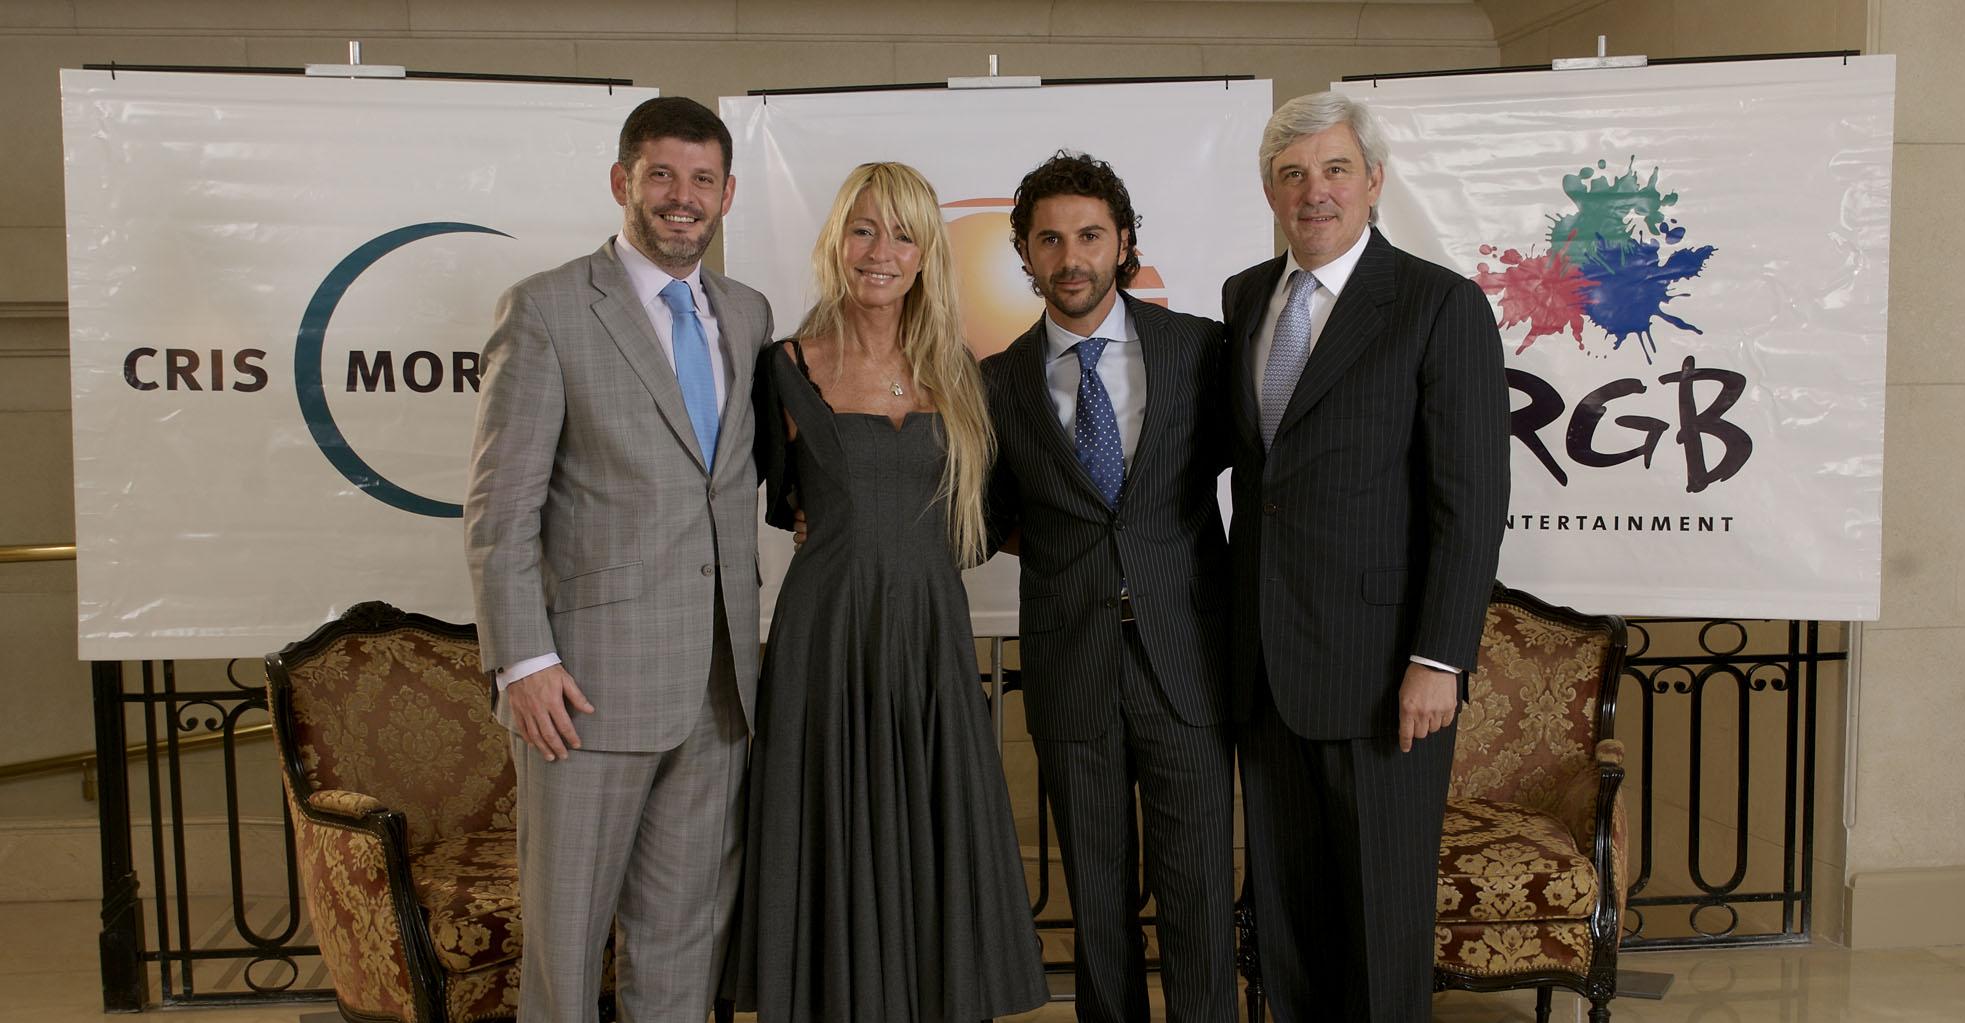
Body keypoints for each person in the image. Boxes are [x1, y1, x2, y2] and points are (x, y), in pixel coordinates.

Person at [464, 96, 773, 1023]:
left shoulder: (747, 314)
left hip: (719, 687)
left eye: (703, 179)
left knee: (682, 939)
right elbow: (499, 507)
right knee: (566, 944)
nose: (683, 197)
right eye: (661, 175)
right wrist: (522, 659)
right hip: (584, 692)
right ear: (621, 182)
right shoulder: (548, 308)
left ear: (727, 194)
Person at [728, 161, 1048, 1022]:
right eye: (864, 229)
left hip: (931, 635)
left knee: (930, 828)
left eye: (903, 234)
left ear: (926, 252)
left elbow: (982, 519)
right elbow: (774, 499)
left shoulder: (963, 372)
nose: (881, 252)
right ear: (836, 241)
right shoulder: (782, 367)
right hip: (827, 637)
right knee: (833, 828)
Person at [1221, 92, 1509, 1022]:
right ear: (1270, 190)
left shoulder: (1438, 304)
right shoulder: (1243, 297)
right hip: (1266, 671)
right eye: (1292, 174)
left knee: (1380, 926)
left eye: (1335, 169)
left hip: (1386, 675)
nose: (1315, 191)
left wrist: (1439, 658)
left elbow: (1470, 503)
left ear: (1374, 180)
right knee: (1291, 921)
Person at [979, 151, 1237, 1023]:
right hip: (1070, 659)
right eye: (1049, 239)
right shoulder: (997, 381)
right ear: (1025, 252)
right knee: (1095, 897)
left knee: (1197, 888)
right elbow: (985, 516)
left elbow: (1262, 473)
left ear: (1123, 242)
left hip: (1186, 655)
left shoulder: (1198, 349)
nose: (1071, 257)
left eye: (1089, 235)